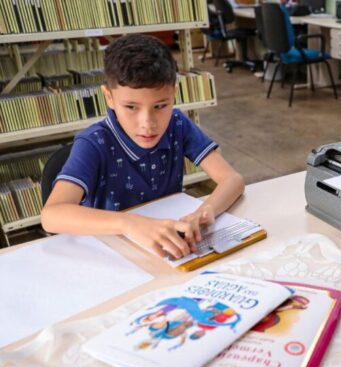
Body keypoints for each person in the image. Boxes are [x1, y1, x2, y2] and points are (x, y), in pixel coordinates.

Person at [41, 34, 244, 260]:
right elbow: (52, 215)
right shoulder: (93, 143)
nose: (148, 123)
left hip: (168, 252)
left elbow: (232, 179)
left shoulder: (177, 124)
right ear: (108, 97)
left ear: (173, 94)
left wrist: (204, 212)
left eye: (160, 105)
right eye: (131, 107)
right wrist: (129, 224)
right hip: (114, 255)